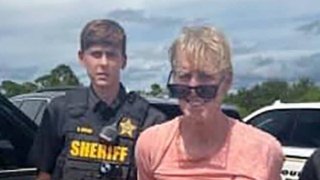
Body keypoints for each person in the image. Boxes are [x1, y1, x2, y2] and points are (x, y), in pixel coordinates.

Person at [135, 26, 284, 180]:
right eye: (184, 76)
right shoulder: (151, 145)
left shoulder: (263, 150)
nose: (193, 87)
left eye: (205, 77)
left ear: (226, 81)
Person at [30, 19, 166, 180]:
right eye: (96, 54)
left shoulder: (150, 120)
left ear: (124, 61)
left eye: (111, 55)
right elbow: (44, 174)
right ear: (82, 58)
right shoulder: (60, 111)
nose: (103, 63)